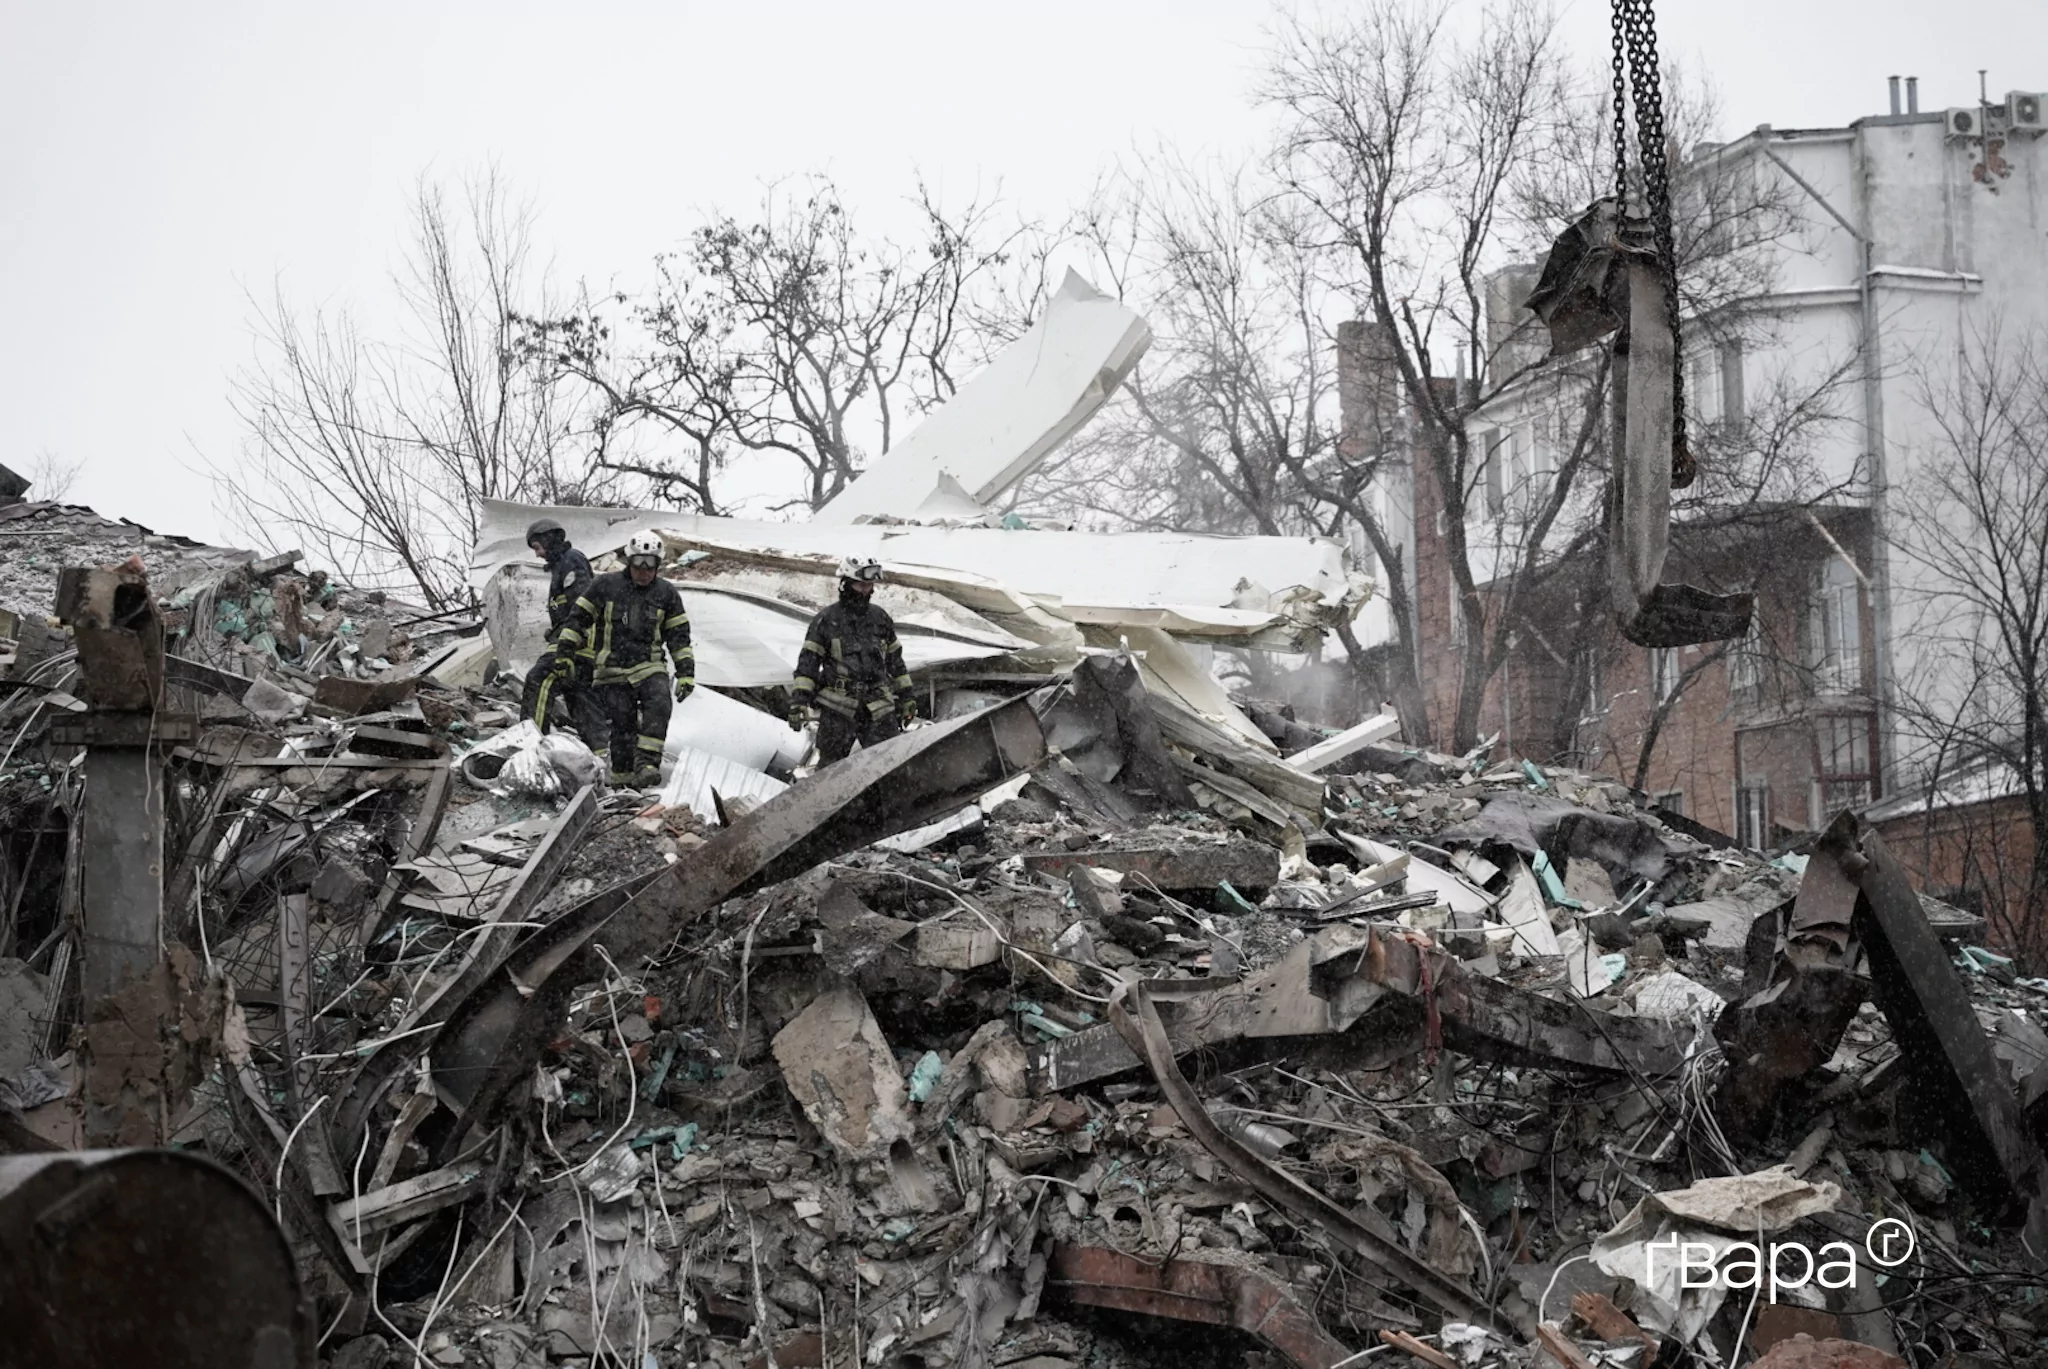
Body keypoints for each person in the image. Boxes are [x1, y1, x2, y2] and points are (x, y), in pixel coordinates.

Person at [558, 532, 694, 787]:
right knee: (623, 728)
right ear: (629, 561)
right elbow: (577, 619)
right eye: (639, 563)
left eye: (650, 564)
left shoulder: (667, 593)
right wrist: (564, 655)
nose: (644, 571)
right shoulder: (605, 586)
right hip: (611, 669)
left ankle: (647, 764)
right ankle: (623, 785)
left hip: (649, 665)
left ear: (658, 564)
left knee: (659, 702)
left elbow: (679, 637)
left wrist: (686, 672)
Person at [789, 556, 917, 765]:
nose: (866, 590)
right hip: (838, 710)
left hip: (878, 707)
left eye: (869, 585)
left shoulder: (880, 618)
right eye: (861, 584)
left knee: (890, 766)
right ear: (845, 584)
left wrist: (908, 696)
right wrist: (798, 702)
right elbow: (808, 666)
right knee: (830, 771)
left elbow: (896, 663)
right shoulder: (826, 620)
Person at [518, 518, 608, 749]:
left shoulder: (571, 561)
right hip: (582, 646)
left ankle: (530, 747)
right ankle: (600, 756)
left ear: (549, 539)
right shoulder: (562, 566)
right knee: (581, 701)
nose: (537, 555)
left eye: (537, 547)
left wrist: (566, 644)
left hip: (576, 645)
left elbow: (581, 607)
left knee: (538, 680)